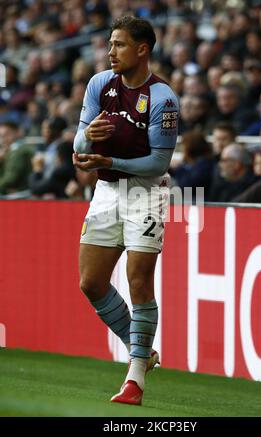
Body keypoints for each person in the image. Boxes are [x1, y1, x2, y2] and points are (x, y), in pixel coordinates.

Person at [72, 16, 179, 406]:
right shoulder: (100, 84)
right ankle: (143, 351)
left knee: (138, 279)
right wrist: (88, 139)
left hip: (146, 195)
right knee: (91, 283)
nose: (110, 51)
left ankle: (134, 379)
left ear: (141, 49)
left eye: (118, 45)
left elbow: (157, 164)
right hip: (105, 192)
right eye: (109, 44)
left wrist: (107, 158)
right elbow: (79, 139)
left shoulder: (163, 98)